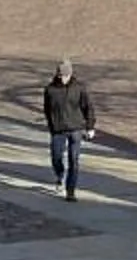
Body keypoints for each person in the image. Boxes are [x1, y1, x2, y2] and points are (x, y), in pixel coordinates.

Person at [41, 59, 97, 200]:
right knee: (56, 157)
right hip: (58, 129)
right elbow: (47, 110)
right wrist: (51, 125)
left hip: (75, 129)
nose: (62, 78)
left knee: (74, 161)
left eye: (65, 76)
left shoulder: (79, 88)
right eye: (60, 76)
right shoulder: (50, 90)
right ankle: (59, 175)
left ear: (70, 75)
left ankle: (70, 191)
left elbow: (88, 108)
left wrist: (90, 127)